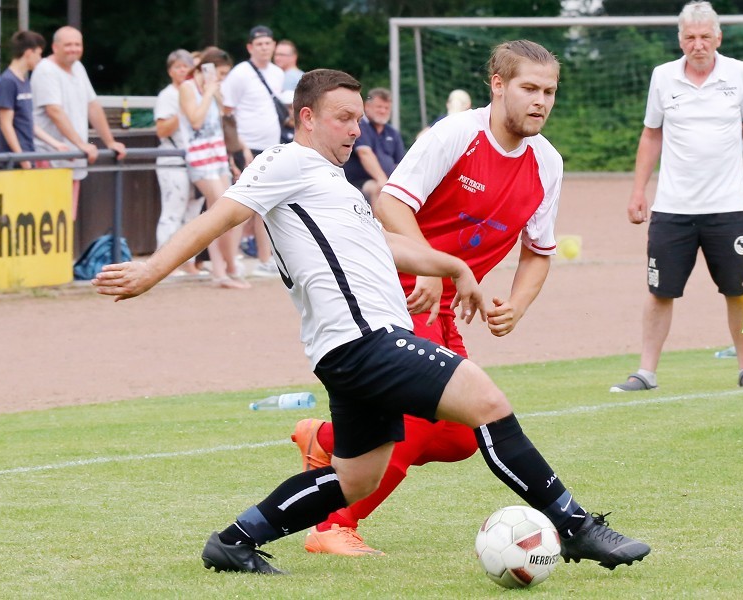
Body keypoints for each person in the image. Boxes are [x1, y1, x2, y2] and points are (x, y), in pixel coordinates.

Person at [93, 67, 650, 576]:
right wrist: (151, 271)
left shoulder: (331, 183)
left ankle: (235, 541)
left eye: (359, 118)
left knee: (358, 478)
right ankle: (578, 529)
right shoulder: (284, 160)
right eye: (344, 118)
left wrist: (454, 266)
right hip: (366, 342)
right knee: (487, 404)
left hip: (351, 349)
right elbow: (221, 215)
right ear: (307, 118)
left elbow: (384, 246)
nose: (356, 129)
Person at [291, 40, 565, 557]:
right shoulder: (457, 134)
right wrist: (430, 266)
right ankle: (332, 525)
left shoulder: (547, 162)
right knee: (415, 422)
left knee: (461, 437)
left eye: (549, 91)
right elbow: (391, 201)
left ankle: (327, 441)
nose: (541, 100)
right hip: (393, 294)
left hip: (444, 308)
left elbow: (539, 251)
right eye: (529, 88)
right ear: (498, 85)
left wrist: (518, 304)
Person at [610, 1, 743, 393]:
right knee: (659, 291)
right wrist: (638, 191)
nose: (698, 45)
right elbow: (651, 135)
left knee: (738, 290)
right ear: (680, 40)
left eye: (705, 37)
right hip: (672, 208)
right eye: (690, 37)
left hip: (729, 206)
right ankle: (646, 372)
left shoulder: (739, 74)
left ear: (718, 37)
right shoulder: (663, 77)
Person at [31, 26, 127, 220]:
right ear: (55, 47)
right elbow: (54, 111)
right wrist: (81, 144)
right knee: (47, 218)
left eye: (77, 44)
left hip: (72, 157)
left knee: (66, 217)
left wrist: (110, 142)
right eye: (68, 45)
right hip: (50, 156)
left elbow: (93, 106)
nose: (73, 49)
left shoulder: (78, 68)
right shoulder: (46, 71)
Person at [178, 47, 249, 288]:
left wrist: (215, 93)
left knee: (226, 211)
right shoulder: (188, 88)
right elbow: (195, 120)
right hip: (199, 158)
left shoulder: (215, 90)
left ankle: (223, 269)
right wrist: (209, 92)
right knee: (219, 211)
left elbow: (222, 120)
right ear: (206, 68)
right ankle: (224, 269)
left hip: (218, 156)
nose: (222, 77)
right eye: (220, 72)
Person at [221, 25, 285, 279]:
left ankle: (264, 257)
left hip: (271, 145)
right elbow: (227, 113)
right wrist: (238, 147)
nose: (264, 47)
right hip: (246, 146)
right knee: (241, 203)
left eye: (268, 43)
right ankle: (231, 260)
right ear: (250, 47)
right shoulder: (240, 74)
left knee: (266, 205)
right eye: (259, 44)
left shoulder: (278, 73)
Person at [154, 49, 203, 275]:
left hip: (197, 159)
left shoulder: (197, 92)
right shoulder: (168, 95)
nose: (183, 71)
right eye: (178, 67)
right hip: (173, 158)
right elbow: (162, 130)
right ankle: (164, 263)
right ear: (170, 71)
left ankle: (189, 263)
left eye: (186, 66)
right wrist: (183, 111)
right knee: (172, 212)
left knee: (193, 215)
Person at [0, 30, 68, 168]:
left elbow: (27, 121)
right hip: (13, 160)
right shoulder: (8, 81)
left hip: (27, 154)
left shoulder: (24, 81)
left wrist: (55, 143)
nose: (40, 59)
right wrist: (21, 157)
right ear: (29, 52)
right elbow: (6, 124)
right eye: (38, 54)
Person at [342, 88, 405, 205]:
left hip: (387, 182)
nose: (383, 111)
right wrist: (384, 182)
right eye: (379, 107)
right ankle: (378, 224)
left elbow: (399, 165)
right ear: (367, 106)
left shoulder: (392, 133)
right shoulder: (359, 126)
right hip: (359, 181)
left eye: (386, 108)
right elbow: (365, 154)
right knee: (378, 189)